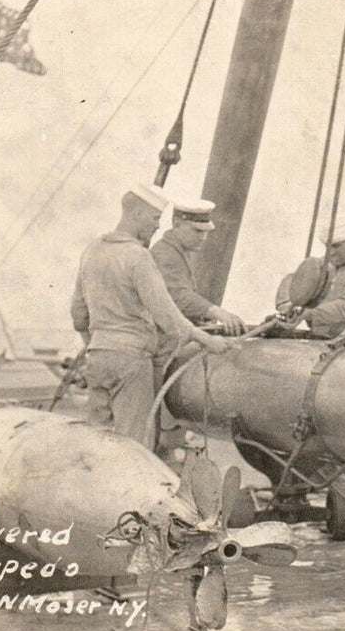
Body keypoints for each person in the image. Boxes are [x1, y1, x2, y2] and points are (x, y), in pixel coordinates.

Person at [70, 183, 229, 448]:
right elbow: (167, 315)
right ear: (138, 214)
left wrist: (96, 345)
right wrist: (207, 340)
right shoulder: (137, 256)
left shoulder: (92, 250)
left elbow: (78, 315)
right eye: (155, 218)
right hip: (131, 361)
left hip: (97, 357)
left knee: (98, 440)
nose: (157, 226)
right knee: (135, 446)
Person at [151, 198, 247, 338]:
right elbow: (177, 296)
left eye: (206, 232)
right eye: (197, 231)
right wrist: (217, 312)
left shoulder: (180, 251)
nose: (203, 237)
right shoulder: (165, 254)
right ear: (176, 225)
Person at [274, 222, 345, 337]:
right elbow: (294, 280)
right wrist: (287, 305)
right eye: (327, 247)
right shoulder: (328, 265)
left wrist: (307, 315)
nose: (331, 252)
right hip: (319, 339)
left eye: (336, 246)